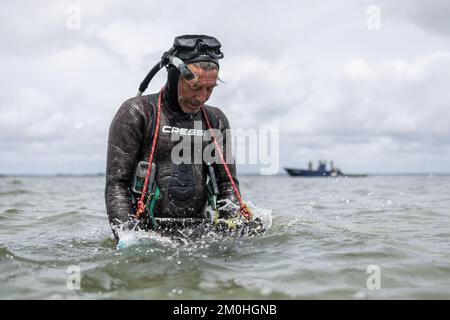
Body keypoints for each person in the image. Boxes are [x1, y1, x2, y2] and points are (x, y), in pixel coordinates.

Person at [105, 35, 253, 242]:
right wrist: (130, 239)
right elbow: (117, 185)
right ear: (175, 77)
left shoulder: (216, 119)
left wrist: (233, 230)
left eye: (210, 89)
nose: (201, 97)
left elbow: (227, 184)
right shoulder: (137, 112)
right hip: (150, 235)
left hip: (200, 235)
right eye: (195, 87)